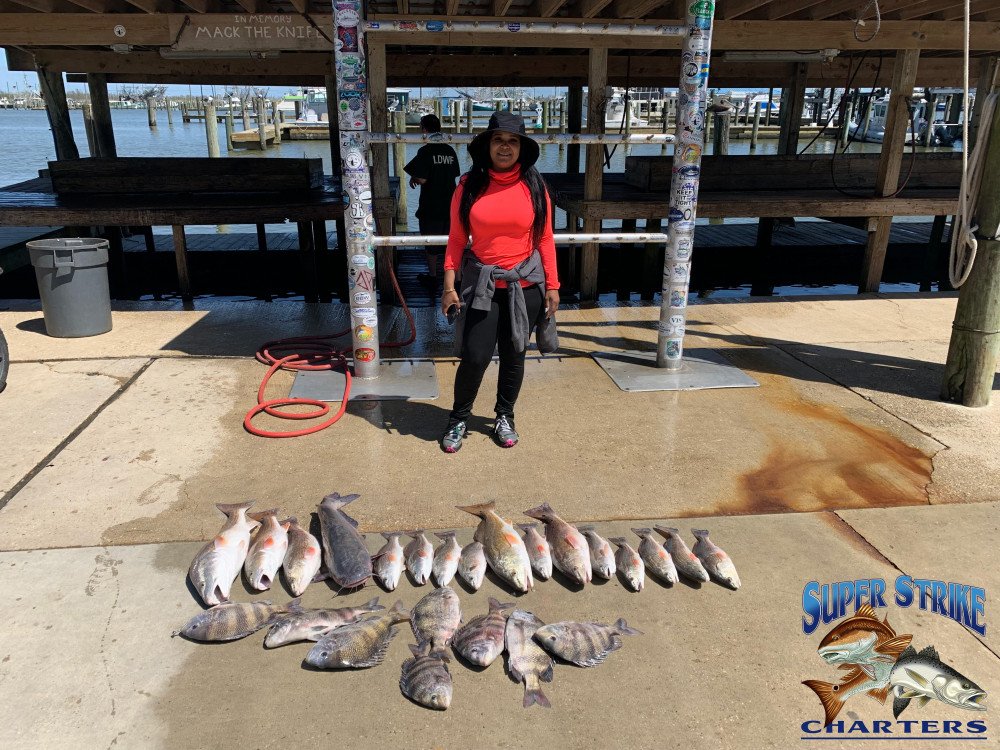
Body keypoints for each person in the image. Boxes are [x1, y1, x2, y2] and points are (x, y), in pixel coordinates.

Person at [439, 112, 560, 453]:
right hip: (482, 285)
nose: (505, 147)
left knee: (514, 355)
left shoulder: (535, 186)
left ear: (521, 147)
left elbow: (545, 238)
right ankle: (458, 418)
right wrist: (448, 286)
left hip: (526, 286)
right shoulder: (468, 186)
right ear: (487, 145)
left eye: (512, 141)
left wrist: (553, 285)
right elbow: (456, 238)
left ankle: (505, 416)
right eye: (498, 140)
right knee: (475, 355)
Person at [403, 114, 460, 292]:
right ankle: (457, 279)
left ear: (424, 129)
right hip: (451, 202)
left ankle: (433, 277)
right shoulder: (450, 150)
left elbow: (422, 178)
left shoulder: (425, 151)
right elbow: (454, 174)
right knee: (452, 241)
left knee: (430, 243)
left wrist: (414, 177)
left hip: (431, 204)